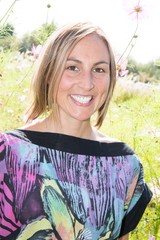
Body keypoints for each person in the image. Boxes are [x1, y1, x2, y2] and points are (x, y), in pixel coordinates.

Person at [0, 22, 152, 240]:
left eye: (99, 69)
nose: (87, 83)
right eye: (73, 67)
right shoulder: (7, 153)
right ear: (49, 73)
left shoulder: (126, 165)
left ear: (111, 81)